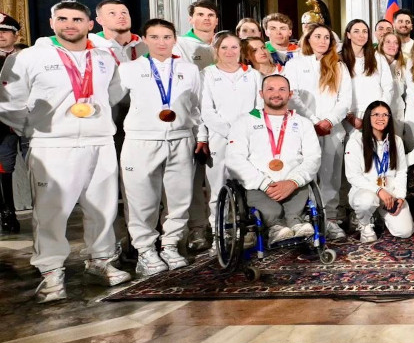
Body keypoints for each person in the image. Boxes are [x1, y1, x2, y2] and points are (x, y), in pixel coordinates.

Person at [0, 1, 130, 301]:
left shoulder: (104, 58)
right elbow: (8, 101)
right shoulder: (30, 57)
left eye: (77, 19)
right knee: (51, 212)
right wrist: (35, 128)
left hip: (99, 141)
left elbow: (114, 93)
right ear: (51, 22)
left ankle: (101, 262)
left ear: (89, 25)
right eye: (63, 19)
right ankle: (51, 274)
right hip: (52, 145)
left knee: (103, 207)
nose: (69, 24)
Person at [118, 19, 202, 276]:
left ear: (175, 39)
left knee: (179, 198)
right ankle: (145, 250)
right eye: (154, 37)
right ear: (144, 39)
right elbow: (111, 100)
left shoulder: (189, 70)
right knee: (142, 199)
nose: (161, 42)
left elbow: (197, 106)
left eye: (166, 37)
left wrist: (200, 135)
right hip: (141, 140)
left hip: (180, 138)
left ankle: (170, 245)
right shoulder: (128, 68)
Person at [225, 74, 322, 246]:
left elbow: (313, 158)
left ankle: (296, 222)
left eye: (282, 89)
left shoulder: (303, 123)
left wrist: (293, 181)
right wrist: (264, 184)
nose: (276, 94)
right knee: (271, 210)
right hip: (259, 186)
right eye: (270, 89)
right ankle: (275, 227)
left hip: (294, 185)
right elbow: (235, 159)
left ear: (290, 94)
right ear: (261, 94)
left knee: (299, 197)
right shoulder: (244, 122)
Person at [284, 24, 353, 239]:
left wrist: (329, 121)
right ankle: (304, 219)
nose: (322, 41)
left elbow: (345, 100)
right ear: (308, 39)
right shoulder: (295, 64)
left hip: (332, 129)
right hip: (303, 129)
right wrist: (313, 121)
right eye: (318, 36)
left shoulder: (339, 67)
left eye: (327, 38)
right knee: (306, 174)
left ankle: (329, 218)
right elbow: (292, 96)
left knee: (330, 176)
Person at [197, 32, 262, 235]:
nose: (229, 52)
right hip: (219, 140)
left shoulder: (252, 75)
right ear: (216, 50)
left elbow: (258, 107)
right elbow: (206, 110)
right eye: (224, 47)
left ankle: (249, 231)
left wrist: (243, 132)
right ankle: (220, 236)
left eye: (234, 47)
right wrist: (229, 132)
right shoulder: (206, 74)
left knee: (249, 186)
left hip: (249, 140)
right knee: (218, 190)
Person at [343, 100, 414, 242]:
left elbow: (401, 171)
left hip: (390, 193)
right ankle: (364, 223)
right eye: (376, 115)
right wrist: (378, 190)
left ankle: (378, 216)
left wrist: (400, 196)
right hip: (366, 191)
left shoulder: (396, 141)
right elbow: (353, 176)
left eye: (385, 115)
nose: (380, 118)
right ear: (368, 117)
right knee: (367, 201)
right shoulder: (356, 140)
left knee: (405, 231)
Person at [341, 19, 395, 133]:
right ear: (348, 35)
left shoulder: (378, 57)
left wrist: (379, 113)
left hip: (376, 116)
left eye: (365, 31)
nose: (361, 35)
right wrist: (350, 117)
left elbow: (388, 87)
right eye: (356, 31)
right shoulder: (340, 59)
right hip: (349, 118)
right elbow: (336, 92)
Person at [0, 12, 21, 233]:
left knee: (39, 169)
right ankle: (7, 212)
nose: (0, 36)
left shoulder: (29, 56)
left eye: (5, 31)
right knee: (4, 168)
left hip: (30, 122)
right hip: (2, 125)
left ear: (15, 35)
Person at [93, 0, 144, 64]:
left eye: (124, 12)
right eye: (112, 13)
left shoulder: (147, 47)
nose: (121, 16)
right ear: (100, 20)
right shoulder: (90, 49)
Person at [378, 31, 408, 127]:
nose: (392, 45)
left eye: (396, 43)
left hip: (397, 111)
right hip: (379, 111)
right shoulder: (375, 64)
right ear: (381, 45)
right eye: (388, 42)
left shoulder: (402, 66)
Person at [176, 0, 218, 69]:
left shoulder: (225, 42)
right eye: (200, 15)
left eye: (210, 15)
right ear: (190, 19)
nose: (206, 18)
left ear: (216, 21)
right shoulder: (179, 44)